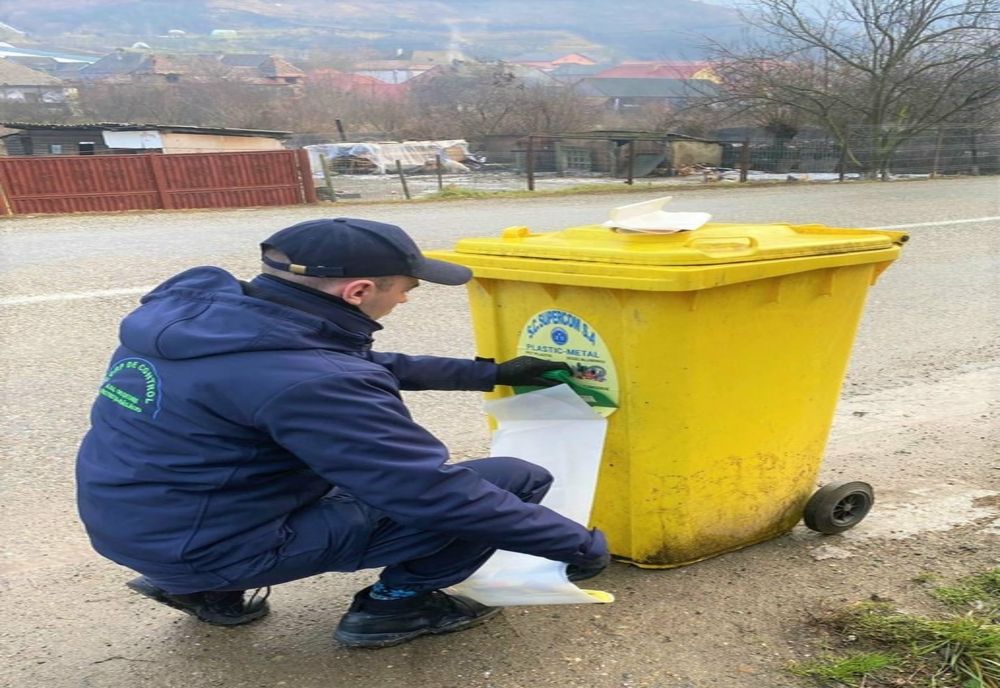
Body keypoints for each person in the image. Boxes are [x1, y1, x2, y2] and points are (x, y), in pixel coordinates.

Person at [76, 217, 610, 649]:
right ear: (358, 291)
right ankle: (395, 606)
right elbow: (430, 493)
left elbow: (354, 365)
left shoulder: (212, 325)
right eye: (406, 289)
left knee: (327, 474)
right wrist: (578, 545)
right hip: (204, 541)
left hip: (134, 520)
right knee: (508, 483)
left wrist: (491, 373)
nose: (404, 299)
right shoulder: (306, 377)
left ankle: (198, 589)